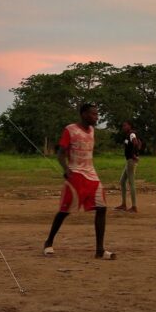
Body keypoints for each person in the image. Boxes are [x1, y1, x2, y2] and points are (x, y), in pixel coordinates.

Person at [43, 103, 116, 260]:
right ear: (83, 114)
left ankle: (100, 250)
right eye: (93, 114)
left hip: (92, 175)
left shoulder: (92, 131)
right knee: (64, 211)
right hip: (75, 175)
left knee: (102, 208)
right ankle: (48, 242)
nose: (96, 117)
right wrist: (66, 169)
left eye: (97, 114)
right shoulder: (70, 130)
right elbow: (61, 154)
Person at [115, 121, 141, 213]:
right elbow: (138, 143)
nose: (123, 127)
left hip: (131, 161)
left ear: (130, 126)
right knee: (122, 181)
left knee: (131, 182)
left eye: (125, 125)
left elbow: (136, 143)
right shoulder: (128, 135)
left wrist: (134, 154)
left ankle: (134, 206)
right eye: (123, 125)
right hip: (128, 161)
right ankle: (124, 204)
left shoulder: (132, 134)